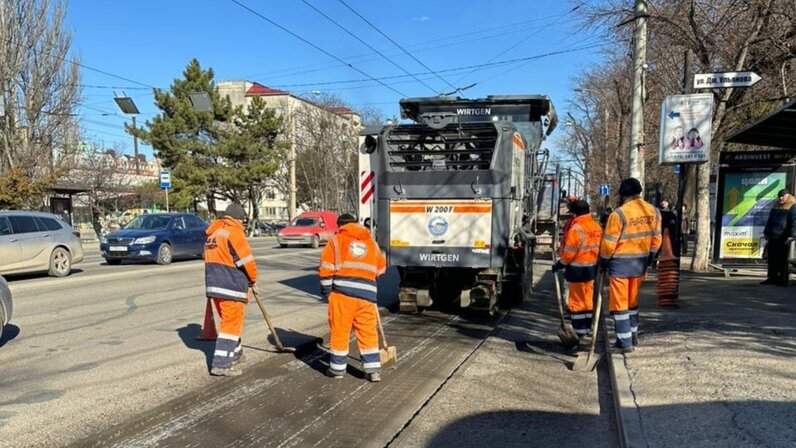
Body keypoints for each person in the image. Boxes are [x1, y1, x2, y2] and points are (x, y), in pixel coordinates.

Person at [320, 213, 387, 382]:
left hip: (342, 295)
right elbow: (381, 269)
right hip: (367, 296)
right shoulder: (371, 242)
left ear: (339, 226)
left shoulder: (336, 241)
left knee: (340, 331)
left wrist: (327, 292)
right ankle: (373, 370)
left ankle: (337, 369)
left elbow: (326, 268)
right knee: (367, 332)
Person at [599, 178, 662, 353]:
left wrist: (602, 262)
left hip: (620, 265)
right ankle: (633, 336)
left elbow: (609, 244)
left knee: (620, 305)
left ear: (623, 195)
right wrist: (648, 260)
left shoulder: (618, 214)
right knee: (632, 302)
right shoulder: (654, 212)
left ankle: (624, 343)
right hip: (640, 264)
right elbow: (657, 241)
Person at [204, 203, 258, 376]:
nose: (243, 224)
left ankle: (236, 353)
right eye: (242, 220)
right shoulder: (234, 232)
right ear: (238, 219)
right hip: (231, 285)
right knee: (231, 324)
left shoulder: (214, 234)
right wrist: (253, 279)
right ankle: (221, 364)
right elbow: (246, 261)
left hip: (215, 285)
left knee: (229, 321)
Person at [553, 200, 602, 341]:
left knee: (576, 301)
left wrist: (559, 265)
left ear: (575, 214)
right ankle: (587, 328)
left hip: (577, 270)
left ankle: (579, 331)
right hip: (591, 269)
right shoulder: (596, 227)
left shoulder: (576, 229)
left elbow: (569, 253)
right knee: (587, 299)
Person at [762, 189, 796, 287]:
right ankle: (772, 278)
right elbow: (770, 220)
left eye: (783, 196)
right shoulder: (776, 205)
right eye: (779, 196)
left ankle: (782, 279)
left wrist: (792, 235)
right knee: (772, 258)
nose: (781, 198)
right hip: (773, 235)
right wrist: (766, 232)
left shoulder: (792, 206)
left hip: (783, 237)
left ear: (788, 196)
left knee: (782, 259)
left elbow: (794, 222)